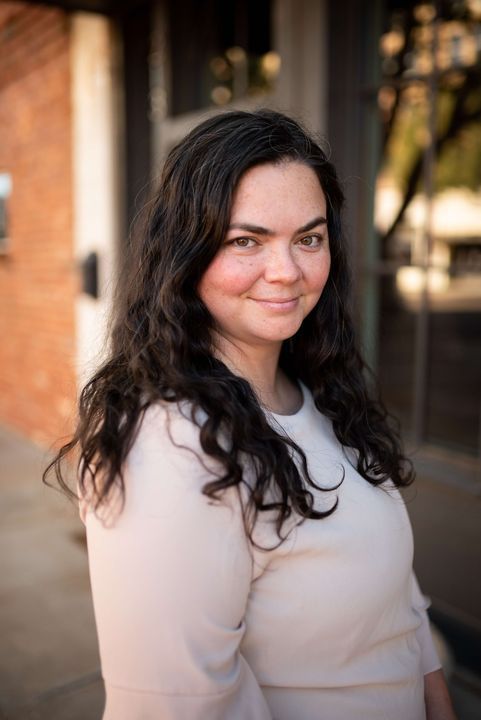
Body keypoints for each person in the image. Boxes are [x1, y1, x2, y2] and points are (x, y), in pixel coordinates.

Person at [45, 109, 457, 720]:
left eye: (308, 238)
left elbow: (399, 600)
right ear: (186, 254)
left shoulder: (314, 391)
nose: (287, 270)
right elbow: (177, 707)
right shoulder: (170, 441)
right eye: (247, 240)